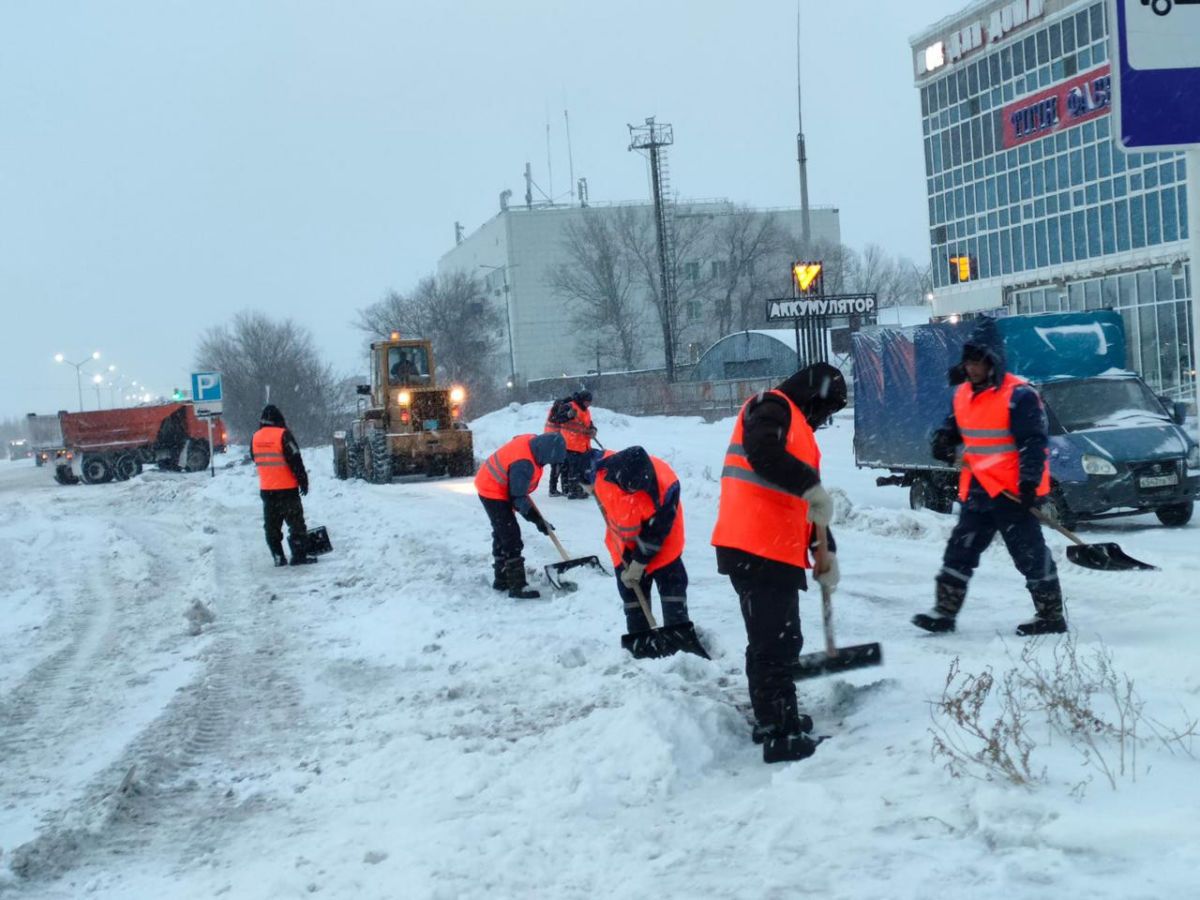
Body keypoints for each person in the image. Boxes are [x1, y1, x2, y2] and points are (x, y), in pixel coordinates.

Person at [711, 363, 846, 764]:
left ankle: (773, 719)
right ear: (812, 395)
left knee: (773, 640)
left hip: (771, 547)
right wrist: (810, 485)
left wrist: (826, 549)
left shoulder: (798, 427)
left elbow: (800, 503)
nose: (824, 419)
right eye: (825, 409)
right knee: (777, 643)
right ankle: (781, 736)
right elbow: (763, 454)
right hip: (755, 545)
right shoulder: (771, 405)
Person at [913, 317, 1065, 637]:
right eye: (967, 361)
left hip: (1012, 492)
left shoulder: (1019, 396)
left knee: (1029, 553)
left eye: (977, 362)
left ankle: (1051, 615)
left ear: (992, 361)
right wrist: (942, 439)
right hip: (980, 490)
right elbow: (954, 427)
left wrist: (1028, 483)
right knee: (960, 550)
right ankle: (944, 612)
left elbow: (1034, 444)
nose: (971, 368)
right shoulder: (964, 395)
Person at [582, 446, 696, 657]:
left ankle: (679, 640)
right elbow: (581, 457)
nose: (634, 493)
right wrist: (583, 479)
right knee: (633, 597)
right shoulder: (601, 468)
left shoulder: (666, 484)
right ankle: (641, 642)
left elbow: (657, 531)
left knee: (673, 591)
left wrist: (640, 563)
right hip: (622, 545)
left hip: (664, 544)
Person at [474, 432, 567, 599]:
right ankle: (517, 586)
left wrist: (538, 520)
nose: (547, 465)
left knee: (502, 531)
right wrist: (538, 521)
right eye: (548, 461)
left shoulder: (533, 442)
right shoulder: (524, 464)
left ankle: (501, 579)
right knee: (510, 536)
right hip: (492, 489)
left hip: (494, 481)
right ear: (546, 453)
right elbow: (518, 498)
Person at [251, 404, 315, 567]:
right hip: (287, 490)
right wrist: (303, 480)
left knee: (272, 526)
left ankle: (278, 556)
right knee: (296, 524)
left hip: (267, 490)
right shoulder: (283, 435)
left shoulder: (255, 437)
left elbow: (254, 458)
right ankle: (299, 555)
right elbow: (295, 460)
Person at [559, 389, 596, 499]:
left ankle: (578, 489)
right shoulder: (570, 406)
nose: (588, 404)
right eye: (587, 402)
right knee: (573, 469)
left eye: (590, 402)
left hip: (583, 445)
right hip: (571, 444)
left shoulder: (586, 410)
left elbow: (589, 423)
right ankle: (572, 491)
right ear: (582, 400)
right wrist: (568, 415)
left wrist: (593, 430)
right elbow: (558, 418)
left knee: (582, 469)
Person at [544, 396, 576, 497]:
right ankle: (553, 490)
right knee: (558, 467)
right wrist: (568, 415)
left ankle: (558, 489)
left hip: (552, 442)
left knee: (559, 466)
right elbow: (560, 421)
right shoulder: (555, 414)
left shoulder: (553, 411)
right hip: (554, 443)